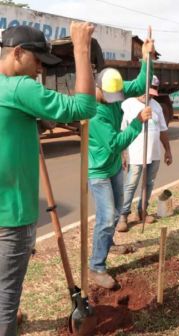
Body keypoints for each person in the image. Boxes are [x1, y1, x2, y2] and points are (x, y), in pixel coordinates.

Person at [0, 22, 96, 336]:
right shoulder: (18, 87)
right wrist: (81, 48)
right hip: (10, 215)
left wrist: (36, 124)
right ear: (17, 54)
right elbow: (85, 107)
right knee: (6, 297)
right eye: (37, 60)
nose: (40, 68)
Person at [88, 38, 155, 289]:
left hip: (114, 165)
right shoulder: (95, 112)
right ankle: (96, 266)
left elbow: (140, 84)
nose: (114, 99)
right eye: (109, 96)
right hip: (99, 171)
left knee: (116, 213)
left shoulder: (112, 86)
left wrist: (147, 58)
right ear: (97, 87)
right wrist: (138, 121)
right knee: (106, 218)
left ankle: (106, 245)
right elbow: (115, 143)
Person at [117, 75, 173, 232]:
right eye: (147, 92)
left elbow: (163, 130)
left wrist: (168, 150)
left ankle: (142, 211)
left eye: (153, 92)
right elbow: (122, 131)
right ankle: (123, 215)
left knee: (149, 184)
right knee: (131, 185)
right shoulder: (127, 105)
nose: (148, 96)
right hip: (135, 155)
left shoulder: (156, 106)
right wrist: (123, 153)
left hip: (153, 154)